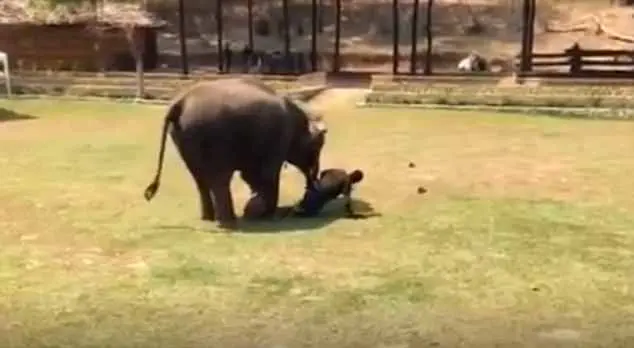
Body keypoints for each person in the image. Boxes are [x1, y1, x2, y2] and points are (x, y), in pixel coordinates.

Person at [292, 168, 364, 217]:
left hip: (312, 187)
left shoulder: (339, 171)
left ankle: (302, 204)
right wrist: (351, 213)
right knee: (311, 214)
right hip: (318, 197)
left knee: (305, 204)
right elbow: (347, 200)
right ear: (355, 181)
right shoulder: (347, 182)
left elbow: (323, 172)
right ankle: (305, 209)